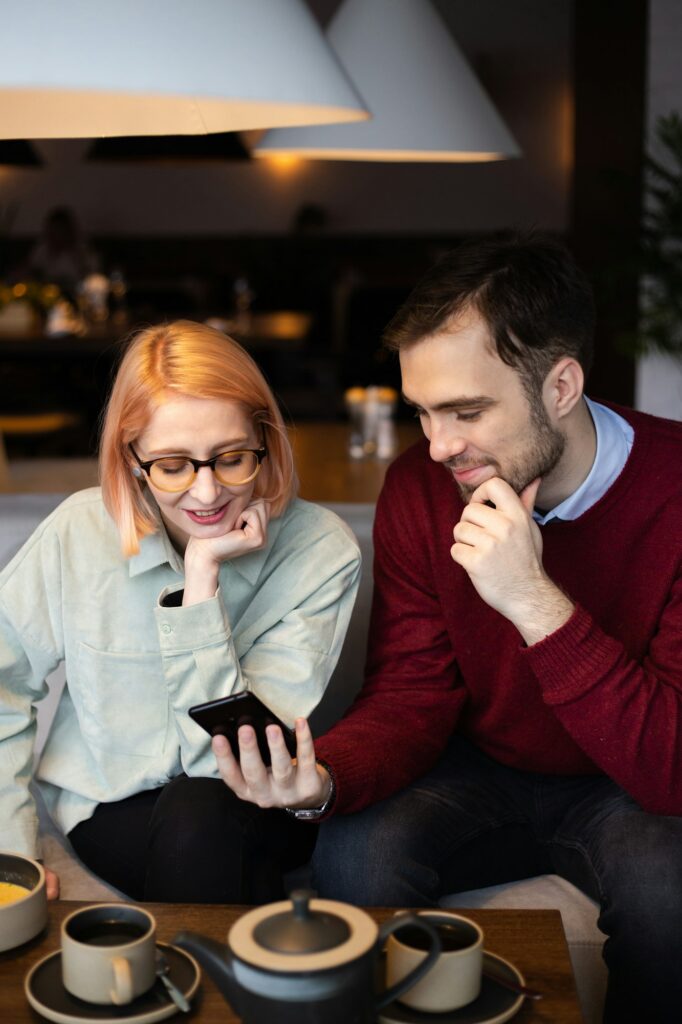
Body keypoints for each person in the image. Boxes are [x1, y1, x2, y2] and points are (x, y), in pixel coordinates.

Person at [210, 235, 682, 1023]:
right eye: (423, 412)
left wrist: (530, 598)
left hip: (625, 785)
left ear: (561, 383)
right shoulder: (420, 488)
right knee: (355, 852)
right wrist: (325, 778)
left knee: (670, 894)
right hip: (477, 764)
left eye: (467, 411)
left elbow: (671, 767)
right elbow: (412, 690)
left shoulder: (673, 492)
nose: (437, 447)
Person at [0, 320, 360, 904]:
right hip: (111, 807)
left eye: (233, 457)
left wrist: (201, 580)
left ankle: (173, 986)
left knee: (203, 813)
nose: (207, 493)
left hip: (255, 799)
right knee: (210, 841)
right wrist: (9, 857)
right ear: (131, 459)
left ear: (264, 439)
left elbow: (232, 760)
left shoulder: (321, 550)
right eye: (173, 466)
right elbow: (2, 686)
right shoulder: (78, 533)